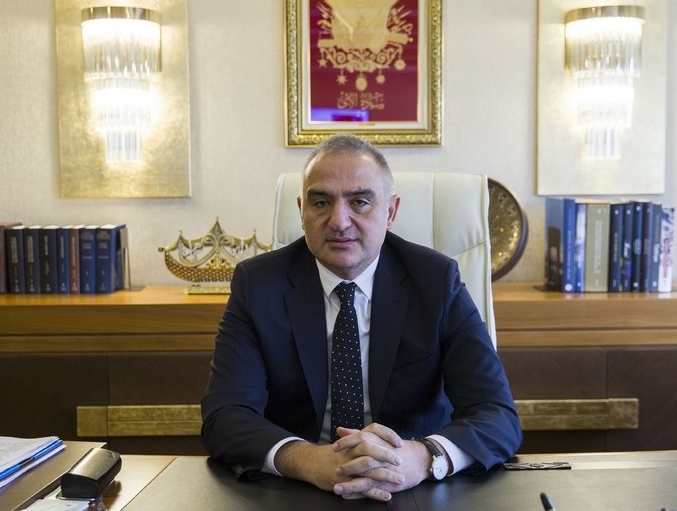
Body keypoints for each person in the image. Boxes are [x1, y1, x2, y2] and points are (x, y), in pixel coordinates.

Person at [201, 133, 521, 501]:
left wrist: (423, 458)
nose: (339, 221)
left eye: (360, 202)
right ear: (301, 211)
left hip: (415, 488)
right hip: (298, 488)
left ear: (391, 212)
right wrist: (309, 460)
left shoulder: (436, 281)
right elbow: (225, 416)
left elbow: (497, 415)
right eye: (321, 202)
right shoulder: (258, 284)